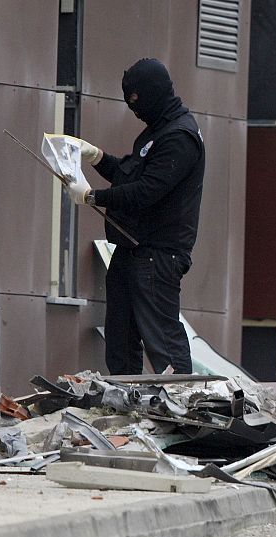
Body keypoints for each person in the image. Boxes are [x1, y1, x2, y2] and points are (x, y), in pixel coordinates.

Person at [66, 58, 205, 375]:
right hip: (132, 249)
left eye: (136, 100)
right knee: (120, 341)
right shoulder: (157, 132)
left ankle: (183, 400)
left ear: (153, 94)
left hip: (158, 255)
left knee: (165, 344)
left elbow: (146, 191)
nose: (134, 109)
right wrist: (96, 157)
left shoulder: (179, 137)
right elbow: (130, 176)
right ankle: (127, 399)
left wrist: (93, 196)